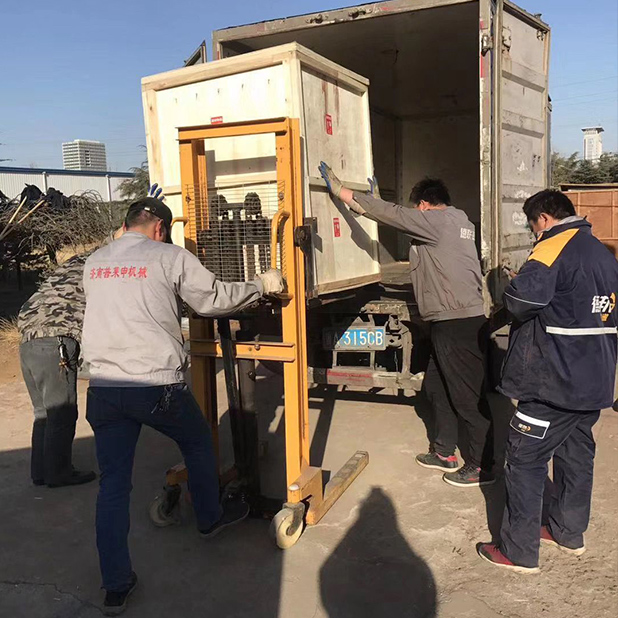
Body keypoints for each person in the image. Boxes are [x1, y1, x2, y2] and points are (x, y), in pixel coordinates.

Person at [82, 196, 284, 615]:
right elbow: (213, 299)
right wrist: (261, 285)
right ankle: (210, 518)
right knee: (197, 441)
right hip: (154, 385)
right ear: (160, 228)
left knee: (113, 486)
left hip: (103, 387)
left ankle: (115, 586)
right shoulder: (168, 256)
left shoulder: (95, 261)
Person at [318, 162, 494, 487]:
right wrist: (372, 206)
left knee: (467, 398)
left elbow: (396, 215)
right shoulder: (459, 220)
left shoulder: (438, 221)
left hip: (457, 323)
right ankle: (444, 451)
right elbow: (398, 220)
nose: (416, 214)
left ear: (424, 205)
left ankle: (482, 466)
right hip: (450, 321)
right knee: (437, 388)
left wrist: (346, 194)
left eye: (417, 209)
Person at [477, 189, 618, 573]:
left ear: (543, 219)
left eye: (532, 226)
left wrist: (512, 282)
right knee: (576, 456)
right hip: (593, 382)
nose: (533, 233)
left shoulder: (552, 247)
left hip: (552, 383)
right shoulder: (603, 254)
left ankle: (517, 551)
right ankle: (567, 532)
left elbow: (521, 301)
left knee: (524, 459)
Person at [18, 251, 97, 488]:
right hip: (56, 340)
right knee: (62, 411)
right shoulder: (103, 264)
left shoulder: (74, 262)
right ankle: (59, 473)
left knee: (43, 411)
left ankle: (41, 471)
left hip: (28, 339)